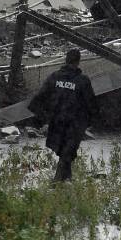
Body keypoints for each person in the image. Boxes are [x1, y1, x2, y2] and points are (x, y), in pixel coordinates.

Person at [27, 49, 98, 182]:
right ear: (78, 61)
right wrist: (92, 121)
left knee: (64, 151)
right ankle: (57, 181)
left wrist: (43, 118)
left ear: (66, 60)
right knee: (67, 152)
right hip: (74, 123)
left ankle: (67, 179)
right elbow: (91, 103)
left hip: (57, 121)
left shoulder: (54, 77)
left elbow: (38, 99)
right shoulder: (83, 81)